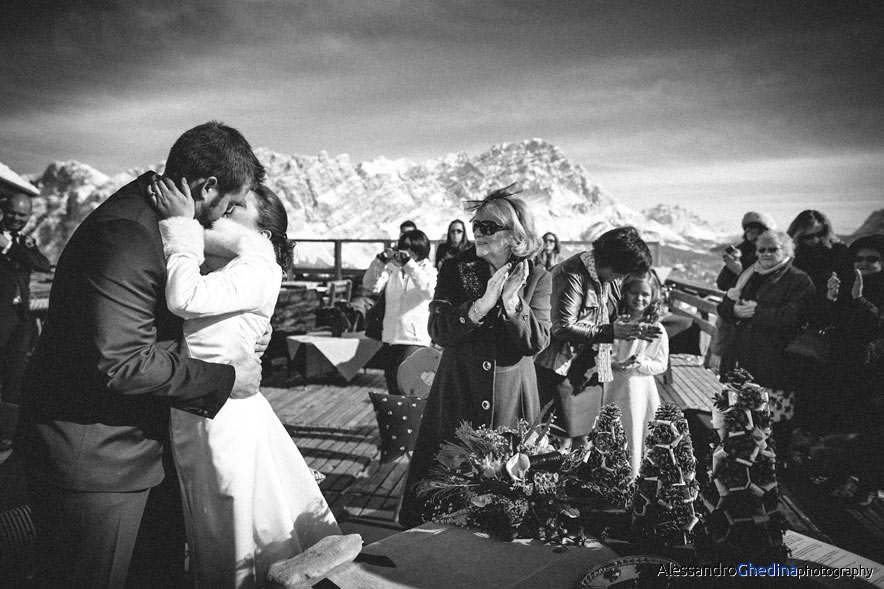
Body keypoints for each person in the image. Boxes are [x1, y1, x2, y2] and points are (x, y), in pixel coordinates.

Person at [14, 121, 267, 588]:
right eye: (230, 205)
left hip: (135, 451)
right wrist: (228, 377)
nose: (228, 220)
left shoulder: (159, 226)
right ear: (206, 187)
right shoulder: (127, 236)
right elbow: (120, 360)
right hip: (94, 462)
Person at [152, 180, 340, 588]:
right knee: (220, 522)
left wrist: (180, 227)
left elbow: (184, 297)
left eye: (237, 209)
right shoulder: (231, 266)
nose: (223, 213)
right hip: (206, 404)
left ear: (262, 234)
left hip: (222, 415)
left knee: (229, 525)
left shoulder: (257, 265)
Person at [400, 184, 551, 528]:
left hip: (512, 398)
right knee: (447, 484)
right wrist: (479, 306)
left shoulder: (537, 277)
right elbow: (437, 330)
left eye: (488, 227)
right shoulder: (455, 270)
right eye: (476, 226)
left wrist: (513, 305)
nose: (477, 233)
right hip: (458, 389)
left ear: (515, 234)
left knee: (510, 492)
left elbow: (538, 341)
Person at [534, 226, 657, 449]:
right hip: (561, 370)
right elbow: (561, 327)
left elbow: (612, 313)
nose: (623, 278)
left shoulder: (608, 278)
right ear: (613, 263)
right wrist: (611, 332)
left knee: (587, 433)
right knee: (560, 436)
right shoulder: (570, 274)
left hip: (589, 370)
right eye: (623, 272)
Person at [717, 229, 814, 464]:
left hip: (777, 364)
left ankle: (774, 468)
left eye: (773, 249)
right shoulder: (751, 274)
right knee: (741, 418)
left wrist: (755, 312)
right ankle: (742, 466)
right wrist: (734, 310)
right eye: (762, 249)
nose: (767, 254)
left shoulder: (799, 280)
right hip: (744, 360)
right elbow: (724, 307)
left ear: (787, 251)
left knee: (774, 421)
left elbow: (793, 317)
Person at [786, 210, 852, 436]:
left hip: (832, 331)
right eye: (808, 236)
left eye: (819, 234)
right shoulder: (793, 259)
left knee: (827, 394)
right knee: (803, 392)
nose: (815, 240)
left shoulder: (839, 253)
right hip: (800, 332)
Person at [602, 272, 669, 476]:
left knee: (636, 428)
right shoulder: (616, 324)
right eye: (634, 293)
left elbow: (661, 364)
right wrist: (616, 364)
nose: (639, 299)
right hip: (616, 384)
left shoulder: (656, 328)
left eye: (645, 295)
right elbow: (603, 355)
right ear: (625, 293)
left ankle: (634, 475)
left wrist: (641, 364)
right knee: (614, 427)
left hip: (640, 388)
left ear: (653, 297)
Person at [363, 229, 437, 395]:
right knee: (393, 389)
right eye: (403, 246)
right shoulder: (392, 270)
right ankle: (396, 421)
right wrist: (380, 262)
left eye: (412, 248)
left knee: (410, 388)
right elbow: (370, 284)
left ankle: (414, 421)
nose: (407, 251)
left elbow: (429, 291)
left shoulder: (429, 271)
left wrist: (408, 264)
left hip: (415, 339)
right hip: (391, 338)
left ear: (421, 250)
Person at [0, 194, 51, 411]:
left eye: (22, 214)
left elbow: (42, 264)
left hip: (22, 316)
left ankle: (6, 431)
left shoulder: (21, 242)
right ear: (3, 210)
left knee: (17, 371)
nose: (16, 218)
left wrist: (9, 247)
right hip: (1, 314)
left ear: (30, 216)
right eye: (12, 212)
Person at [712, 211, 776, 379]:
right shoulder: (740, 252)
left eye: (756, 229)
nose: (751, 233)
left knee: (750, 373)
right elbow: (722, 284)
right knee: (730, 365)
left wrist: (738, 272)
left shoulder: (770, 256)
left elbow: (764, 287)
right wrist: (730, 269)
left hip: (755, 320)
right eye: (748, 229)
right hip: (733, 316)